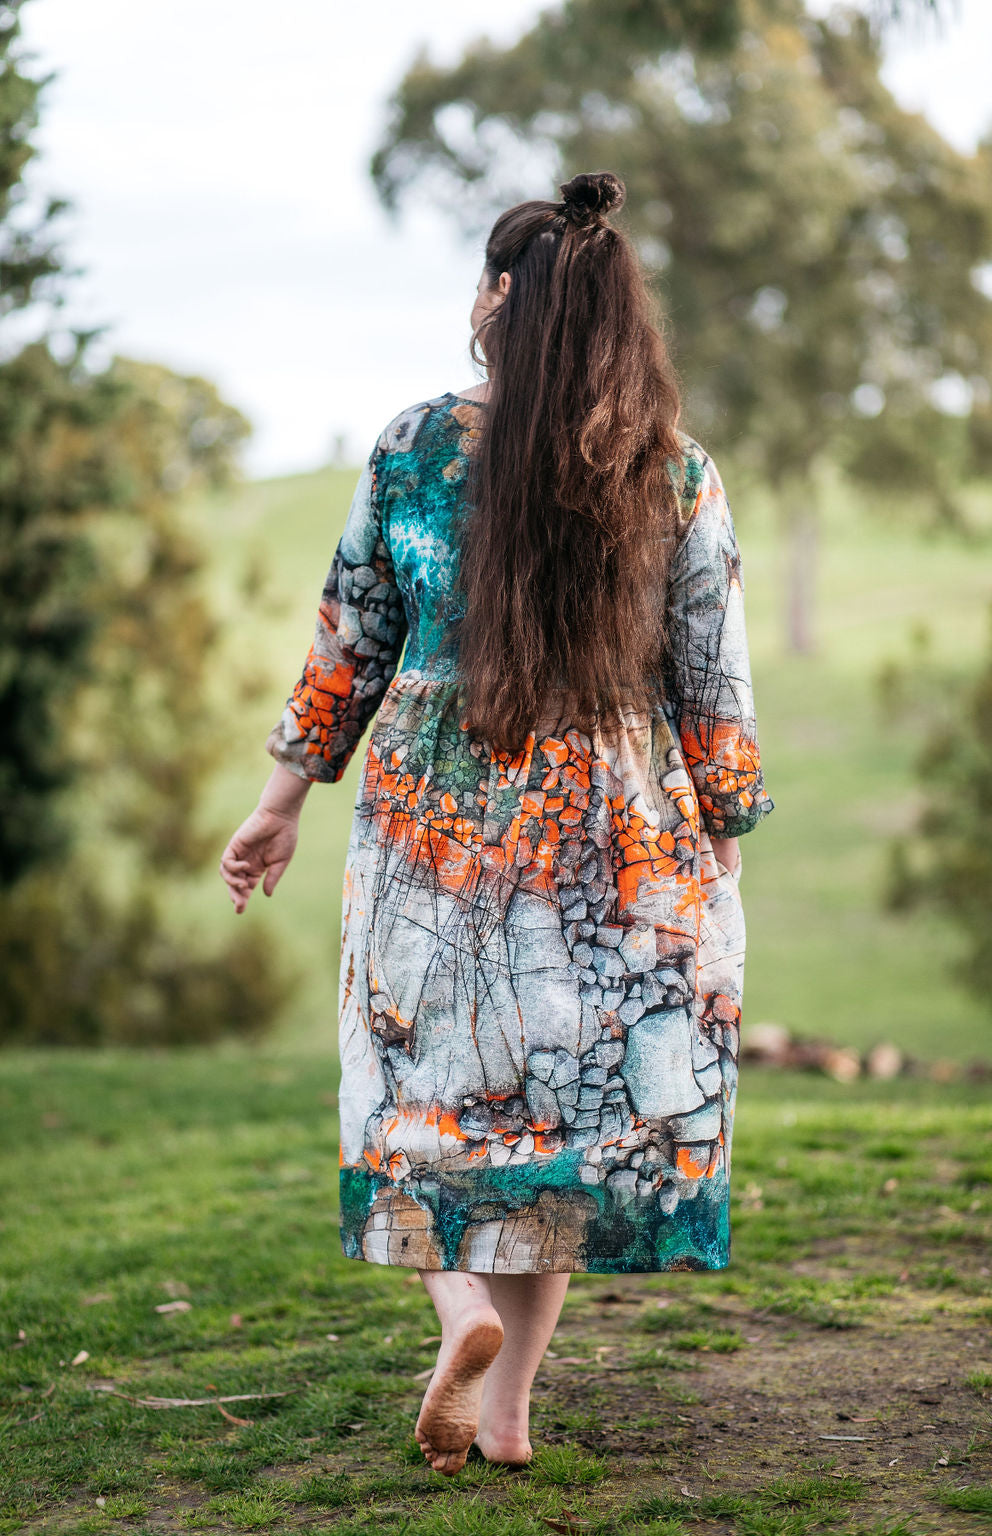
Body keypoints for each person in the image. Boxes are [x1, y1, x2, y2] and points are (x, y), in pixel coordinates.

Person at [219, 170, 774, 1477]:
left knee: (419, 1104)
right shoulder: (676, 473)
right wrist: (725, 851)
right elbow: (719, 690)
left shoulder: (414, 447)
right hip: (611, 862)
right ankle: (512, 1411)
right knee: (556, 1145)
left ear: (499, 303)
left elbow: (349, 634)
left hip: (431, 853)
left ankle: (457, 1308)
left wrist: (280, 799)